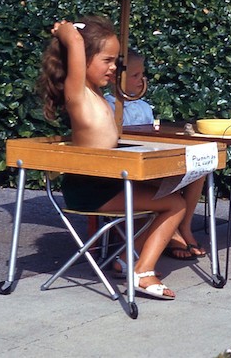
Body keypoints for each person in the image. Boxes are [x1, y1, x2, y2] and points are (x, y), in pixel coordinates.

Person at [36, 15, 183, 300]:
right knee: (174, 204)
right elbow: (76, 41)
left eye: (116, 61)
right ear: (83, 59)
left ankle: (128, 259)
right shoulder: (77, 94)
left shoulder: (97, 95)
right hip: (90, 189)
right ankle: (142, 272)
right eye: (107, 60)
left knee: (171, 187)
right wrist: (66, 31)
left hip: (106, 184)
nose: (114, 67)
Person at [105, 49, 207, 260]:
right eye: (134, 75)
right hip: (125, 172)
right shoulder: (108, 106)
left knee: (199, 168)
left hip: (148, 165)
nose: (141, 80)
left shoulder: (144, 107)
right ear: (116, 79)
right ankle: (173, 232)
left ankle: (184, 226)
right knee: (169, 184)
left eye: (142, 74)